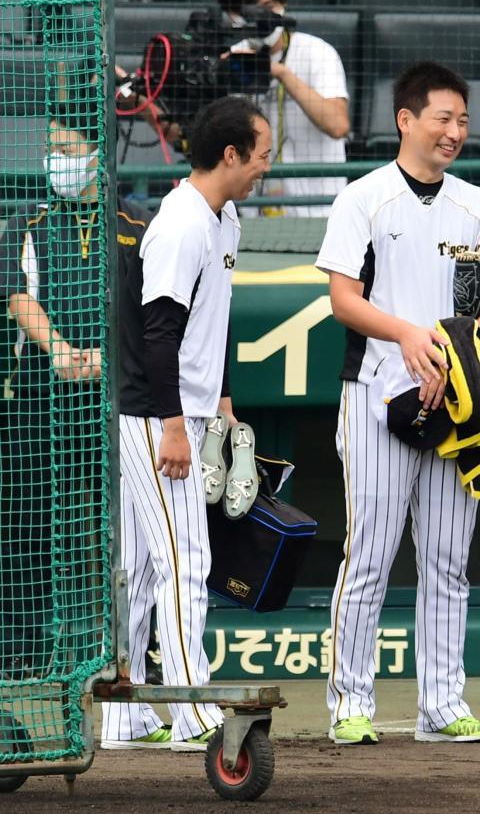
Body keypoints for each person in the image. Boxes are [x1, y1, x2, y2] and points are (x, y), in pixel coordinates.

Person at [316, 61, 480, 745]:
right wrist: (409, 335)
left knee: (447, 560)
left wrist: (455, 355)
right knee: (369, 556)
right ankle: (351, 704)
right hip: (378, 394)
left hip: (456, 401)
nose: (455, 131)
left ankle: (442, 705)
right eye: (443, 118)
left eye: (463, 120)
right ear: (406, 119)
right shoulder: (363, 198)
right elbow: (343, 299)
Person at [100, 96, 272, 751]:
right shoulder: (179, 224)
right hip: (156, 415)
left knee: (145, 567)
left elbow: (212, 319)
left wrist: (222, 400)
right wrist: (173, 423)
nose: (265, 167)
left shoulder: (224, 217)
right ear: (230, 154)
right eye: (261, 155)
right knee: (186, 560)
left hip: (185, 410)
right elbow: (159, 333)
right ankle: (192, 711)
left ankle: (124, 718)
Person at [0, 103, 151, 679]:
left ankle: (133, 646)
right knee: (31, 523)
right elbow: (17, 292)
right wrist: (60, 350)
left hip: (120, 400)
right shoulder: (30, 220)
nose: (55, 161)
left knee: (129, 528)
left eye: (66, 151)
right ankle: (26, 649)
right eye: (51, 151)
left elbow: (153, 311)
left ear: (97, 155)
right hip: (42, 398)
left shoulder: (138, 225)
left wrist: (107, 358)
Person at [217, 0, 349, 217]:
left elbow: (338, 125)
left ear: (283, 3)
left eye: (267, 8)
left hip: (317, 211)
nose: (259, 18)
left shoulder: (317, 52)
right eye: (247, 11)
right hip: (251, 216)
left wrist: (281, 73)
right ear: (231, 14)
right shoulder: (232, 58)